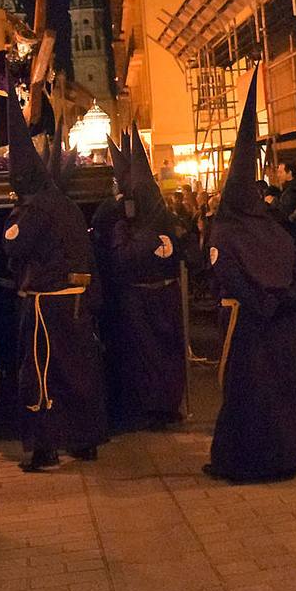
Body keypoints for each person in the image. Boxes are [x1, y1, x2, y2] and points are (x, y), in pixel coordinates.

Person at [205, 66, 296, 483]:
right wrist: (288, 303)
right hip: (280, 325)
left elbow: (228, 274)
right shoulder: (274, 228)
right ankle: (285, 454)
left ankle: (249, 460)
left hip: (248, 325)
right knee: (282, 390)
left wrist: (263, 304)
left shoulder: (225, 230)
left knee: (250, 392)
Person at [2, 85, 107, 472]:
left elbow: (14, 246)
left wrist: (13, 216)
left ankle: (46, 449)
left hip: (47, 304)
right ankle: (86, 439)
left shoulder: (33, 208)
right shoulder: (65, 204)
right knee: (80, 369)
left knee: (43, 373)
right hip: (78, 301)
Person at [95, 125, 187, 433]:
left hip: (149, 297)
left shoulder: (146, 219)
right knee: (150, 354)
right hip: (146, 296)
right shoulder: (143, 214)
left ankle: (160, 405)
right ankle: (155, 405)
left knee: (155, 353)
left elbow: (126, 257)